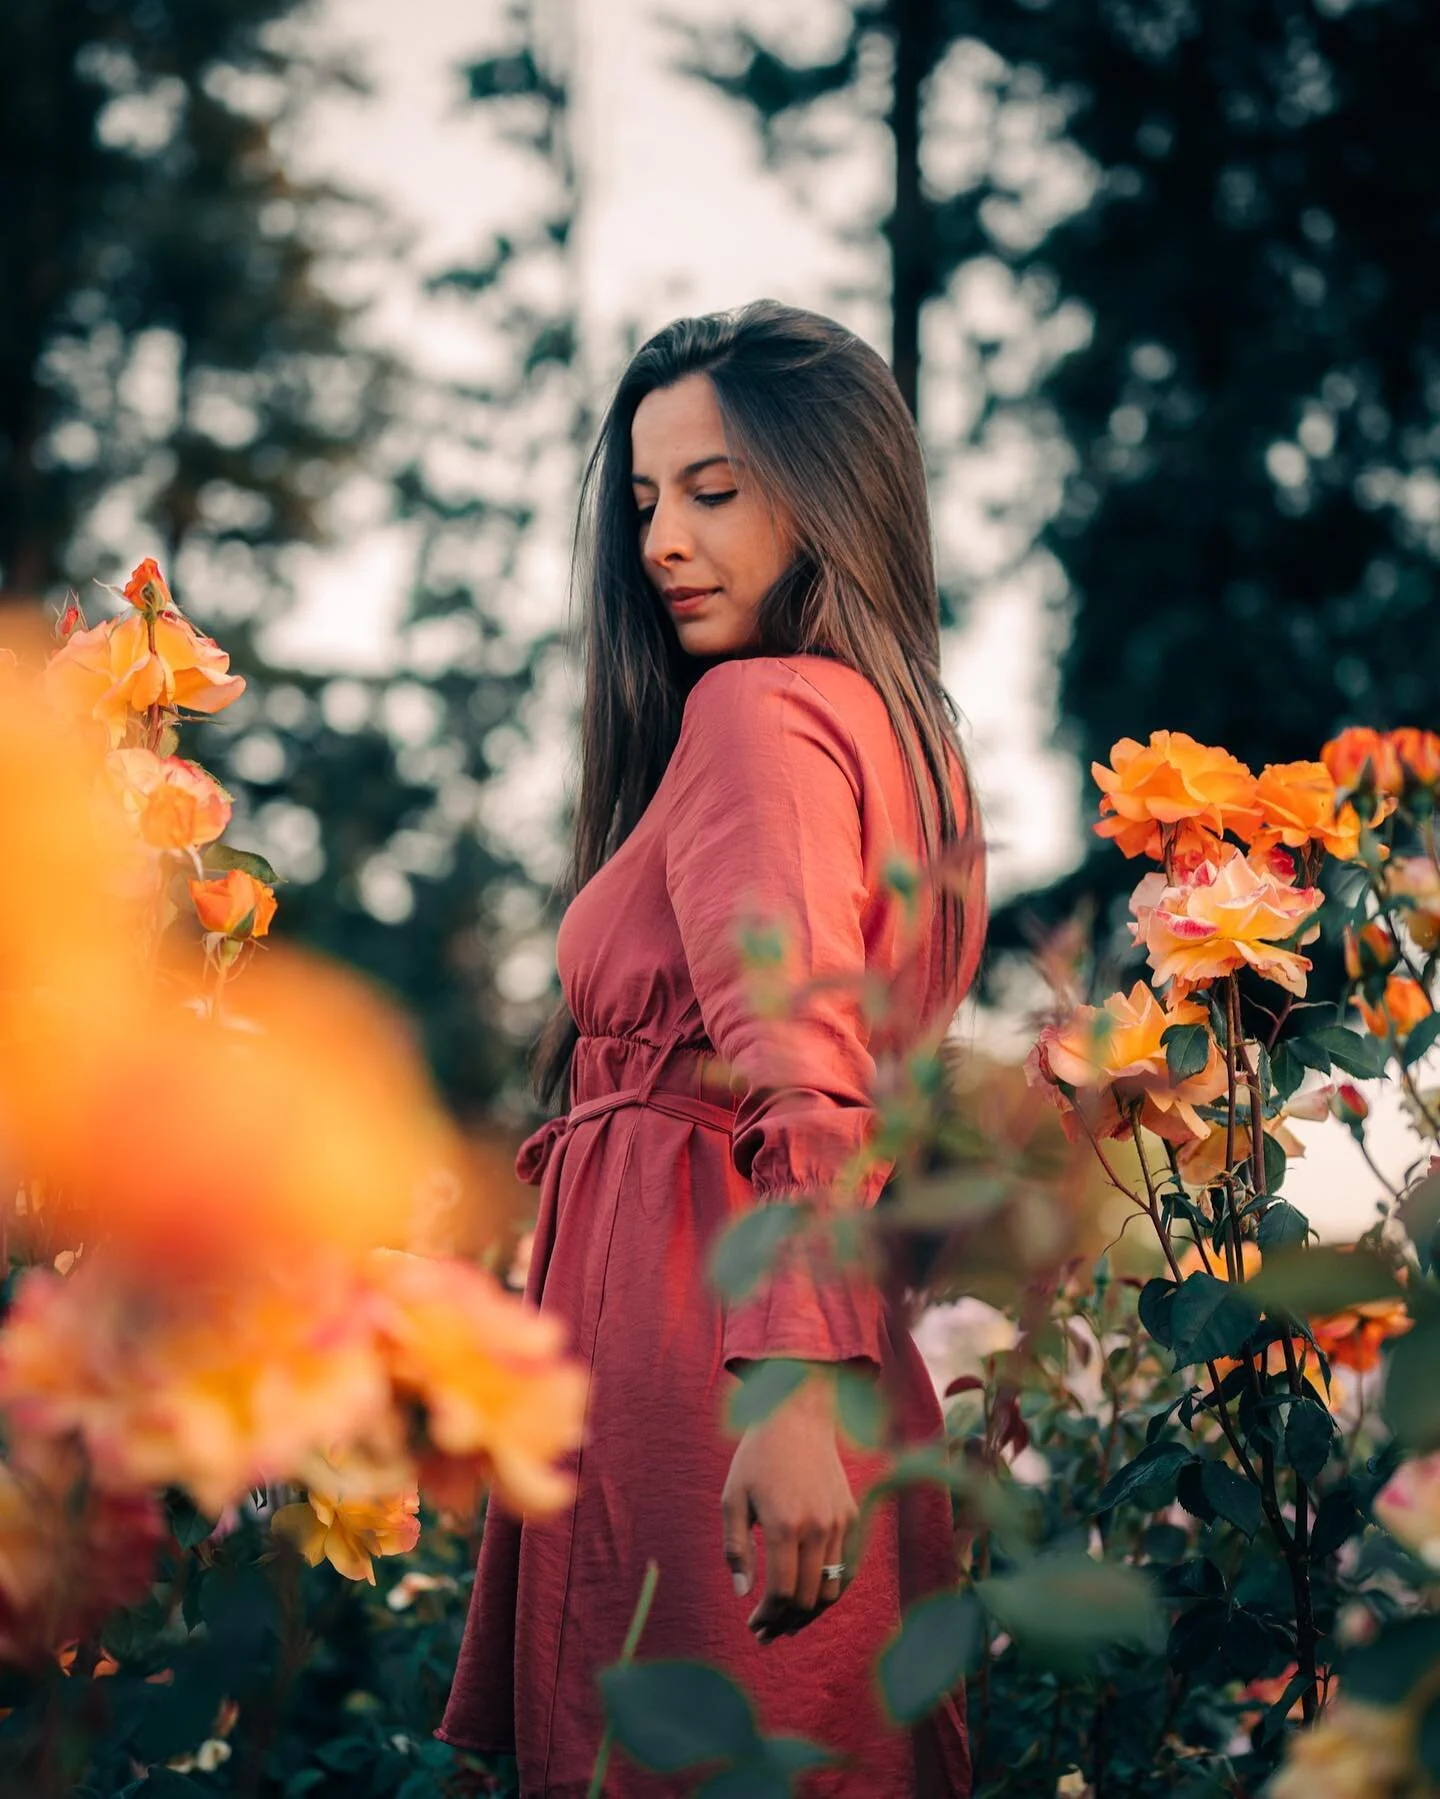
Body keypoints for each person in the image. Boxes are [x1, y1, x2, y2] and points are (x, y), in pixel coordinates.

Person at [437, 300, 989, 1797]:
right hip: (770, 1343)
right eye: (642, 501)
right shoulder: (892, 735)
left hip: (719, 1358)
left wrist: (790, 1389)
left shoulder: (758, 712)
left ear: (830, 491)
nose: (662, 540)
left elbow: (805, 1058)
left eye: (714, 491)